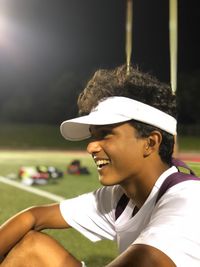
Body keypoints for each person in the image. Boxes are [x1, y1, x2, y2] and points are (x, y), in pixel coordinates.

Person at [0, 65, 200, 267]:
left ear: (150, 143)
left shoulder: (188, 200)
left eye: (105, 134)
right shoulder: (119, 198)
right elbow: (33, 216)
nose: (91, 146)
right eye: (93, 136)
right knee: (33, 247)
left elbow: (148, 260)